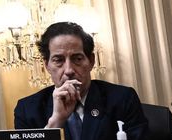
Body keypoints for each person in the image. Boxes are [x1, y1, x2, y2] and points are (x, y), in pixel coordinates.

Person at [13, 22, 146, 140]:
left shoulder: (122, 99)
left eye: (77, 59)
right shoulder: (27, 110)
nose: (69, 70)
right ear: (47, 65)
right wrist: (55, 122)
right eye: (58, 60)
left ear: (91, 61)